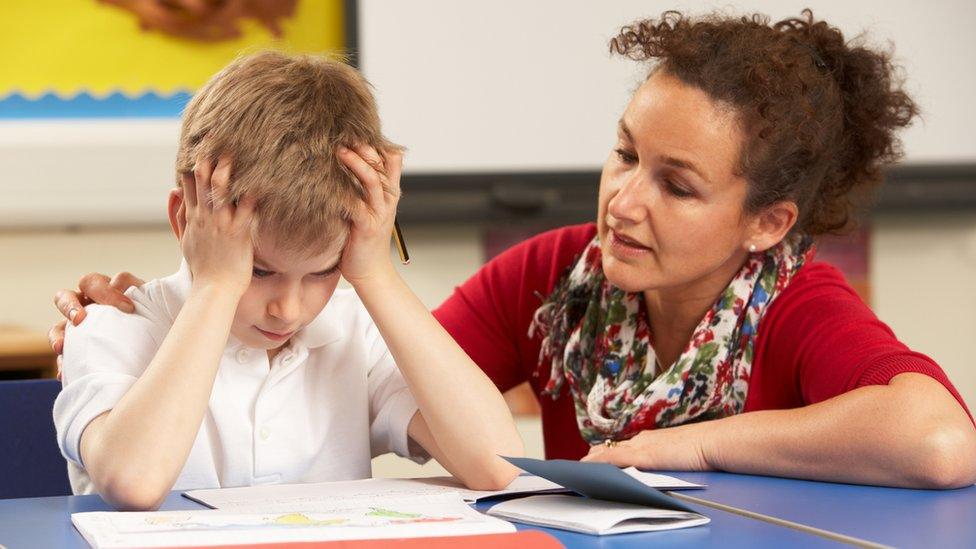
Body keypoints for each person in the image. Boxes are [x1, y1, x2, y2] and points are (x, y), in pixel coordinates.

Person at [51, 11, 976, 489]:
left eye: (677, 184)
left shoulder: (796, 302)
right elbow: (415, 374)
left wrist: (683, 448)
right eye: (623, 155)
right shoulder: (554, 278)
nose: (624, 200)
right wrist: (208, 294)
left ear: (767, 221)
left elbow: (937, 437)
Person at [50, 51, 522, 511]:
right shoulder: (109, 325)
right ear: (185, 220)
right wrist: (217, 286)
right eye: (258, 271)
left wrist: (375, 274)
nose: (288, 309)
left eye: (322, 272)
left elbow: (499, 467)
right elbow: (134, 482)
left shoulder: (355, 332)